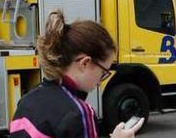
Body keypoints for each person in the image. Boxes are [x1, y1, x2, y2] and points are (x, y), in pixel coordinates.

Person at [10, 10, 143, 138]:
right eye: (103, 72)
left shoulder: (27, 100)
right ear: (84, 63)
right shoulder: (79, 113)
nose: (100, 82)